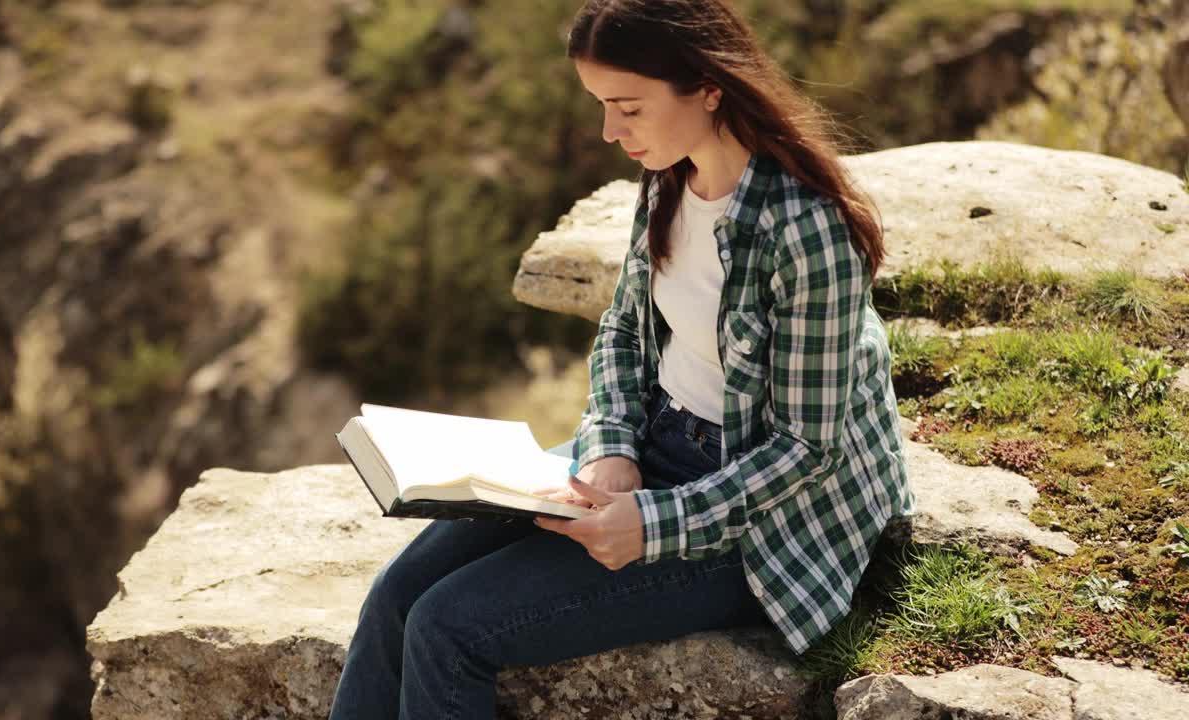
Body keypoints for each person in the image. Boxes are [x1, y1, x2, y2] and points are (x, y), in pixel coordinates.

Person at [328, 0, 916, 717]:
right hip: (654, 443)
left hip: (759, 515)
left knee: (446, 627)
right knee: (395, 596)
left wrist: (652, 524)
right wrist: (610, 448)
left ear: (708, 87)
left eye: (628, 108)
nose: (611, 131)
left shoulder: (807, 229)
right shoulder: (672, 177)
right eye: (603, 106)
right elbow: (625, 332)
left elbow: (805, 450)